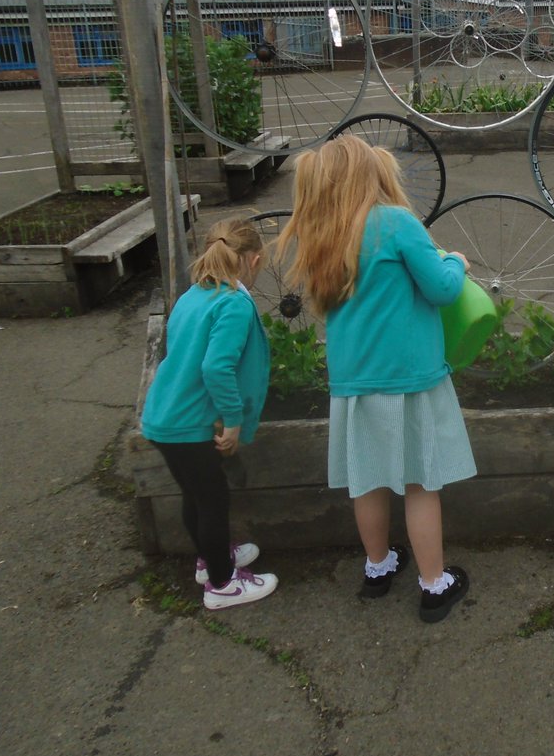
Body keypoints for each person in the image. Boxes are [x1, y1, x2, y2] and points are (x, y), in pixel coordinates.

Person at [279, 136, 475, 623]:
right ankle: (433, 584)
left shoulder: (322, 230)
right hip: (408, 378)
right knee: (418, 482)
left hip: (354, 381)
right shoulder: (396, 222)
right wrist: (456, 261)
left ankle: (378, 566)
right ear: (375, 175)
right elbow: (443, 289)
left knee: (367, 479)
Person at [141, 217, 278, 610]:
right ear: (254, 260)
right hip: (187, 425)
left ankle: (210, 560)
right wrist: (233, 420)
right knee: (213, 500)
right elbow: (216, 367)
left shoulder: (194, 294)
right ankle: (221, 584)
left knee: (198, 496)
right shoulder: (232, 303)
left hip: (163, 417)